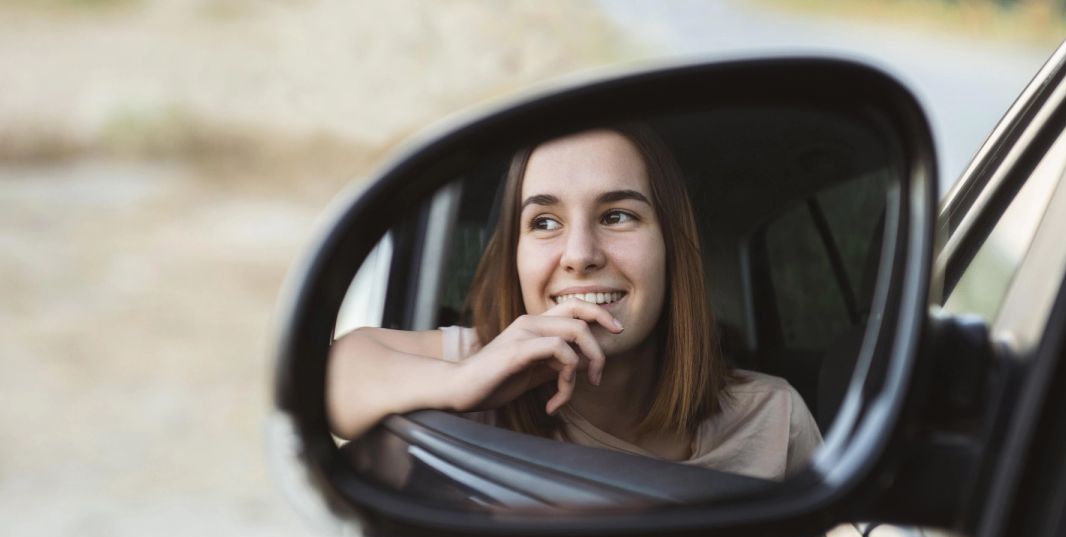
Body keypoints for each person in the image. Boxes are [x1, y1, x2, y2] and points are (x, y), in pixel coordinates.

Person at [327, 125, 821, 481]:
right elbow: (327, 373)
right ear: (515, 256)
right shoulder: (489, 363)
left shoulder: (775, 419)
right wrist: (460, 381)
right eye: (544, 223)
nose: (580, 254)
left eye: (617, 215)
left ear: (671, 246)